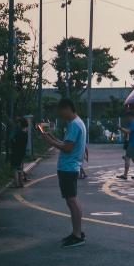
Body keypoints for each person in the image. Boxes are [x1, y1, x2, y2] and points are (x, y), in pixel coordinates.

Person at [39, 98, 87, 247]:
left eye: (61, 111)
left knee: (72, 201)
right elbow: (66, 143)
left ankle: (77, 235)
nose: (61, 115)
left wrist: (49, 141)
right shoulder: (78, 123)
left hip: (68, 167)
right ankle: (76, 233)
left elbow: (67, 148)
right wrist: (51, 137)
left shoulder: (74, 125)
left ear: (67, 108)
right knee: (72, 201)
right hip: (70, 167)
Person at [118, 111, 134, 180]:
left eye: (127, 117)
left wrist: (120, 128)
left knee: (127, 157)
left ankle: (125, 175)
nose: (127, 119)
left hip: (133, 144)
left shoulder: (133, 123)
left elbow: (128, 131)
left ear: (130, 116)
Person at [10, 118, 29, 188]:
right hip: (22, 151)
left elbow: (12, 139)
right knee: (20, 167)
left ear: (21, 124)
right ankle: (21, 183)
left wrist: (13, 143)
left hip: (16, 151)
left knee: (15, 168)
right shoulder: (25, 132)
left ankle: (16, 184)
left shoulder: (18, 132)